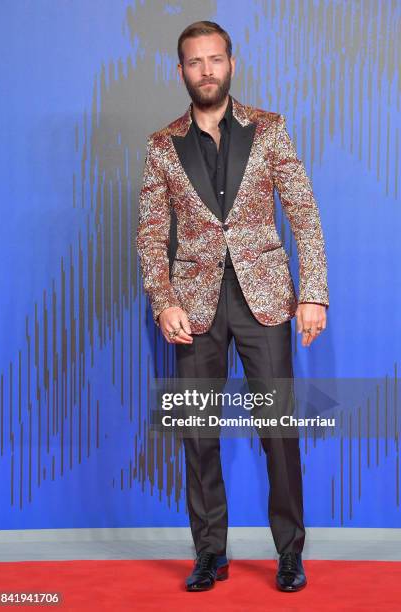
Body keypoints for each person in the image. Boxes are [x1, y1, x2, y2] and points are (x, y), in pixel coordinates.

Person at [136, 20, 329, 593]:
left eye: (215, 59)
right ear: (181, 72)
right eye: (194, 62)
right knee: (197, 433)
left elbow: (303, 211)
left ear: (231, 64)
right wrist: (163, 301)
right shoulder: (161, 146)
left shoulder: (268, 130)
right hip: (192, 310)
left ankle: (290, 553)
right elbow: (150, 236)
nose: (206, 70)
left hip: (265, 300)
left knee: (278, 431)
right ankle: (209, 554)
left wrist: (313, 291)